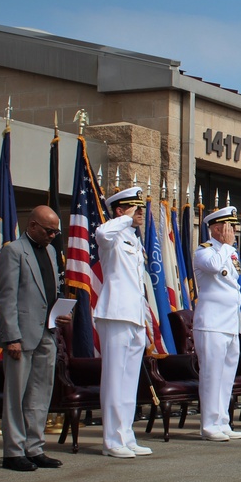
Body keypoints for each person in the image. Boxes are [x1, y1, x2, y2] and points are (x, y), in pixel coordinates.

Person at [0, 205, 71, 471]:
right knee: (16, 395)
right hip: (21, 335)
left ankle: (34, 447)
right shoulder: (13, 251)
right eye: (49, 231)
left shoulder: (50, 251)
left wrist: (59, 313)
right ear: (33, 225)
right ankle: (13, 451)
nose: (52, 236)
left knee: (40, 393)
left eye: (56, 232)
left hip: (47, 331)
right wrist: (11, 336)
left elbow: (47, 291)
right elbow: (7, 297)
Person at [93, 187, 152, 458]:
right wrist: (126, 218)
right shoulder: (112, 233)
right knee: (115, 379)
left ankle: (126, 434)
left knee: (130, 380)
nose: (140, 212)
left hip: (135, 314)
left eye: (140, 209)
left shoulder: (133, 239)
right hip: (115, 312)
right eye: (135, 207)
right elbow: (102, 233)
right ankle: (112, 440)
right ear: (120, 210)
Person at [193, 206, 241, 442]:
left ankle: (222, 420)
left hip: (230, 323)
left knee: (226, 376)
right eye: (229, 226)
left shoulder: (230, 252)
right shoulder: (204, 252)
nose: (233, 231)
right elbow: (214, 267)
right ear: (216, 228)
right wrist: (225, 244)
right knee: (212, 375)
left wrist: (227, 247)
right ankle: (209, 423)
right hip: (212, 323)